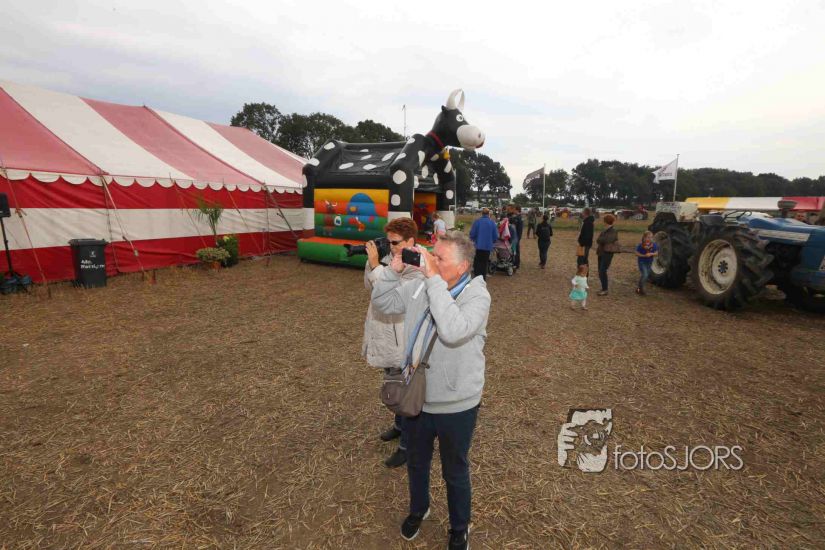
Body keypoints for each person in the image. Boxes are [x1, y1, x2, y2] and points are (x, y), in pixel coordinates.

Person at [371, 232, 490, 550]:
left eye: (439, 257)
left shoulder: (477, 297)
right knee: (416, 462)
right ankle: (418, 509)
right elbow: (382, 302)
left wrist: (433, 279)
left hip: (456, 404)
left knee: (455, 470)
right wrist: (391, 273)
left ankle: (459, 527)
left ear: (462, 267)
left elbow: (452, 331)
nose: (431, 261)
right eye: (431, 254)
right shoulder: (421, 285)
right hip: (418, 398)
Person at [363, 218, 425, 468]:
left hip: (404, 341)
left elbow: (398, 297)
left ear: (411, 241)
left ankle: (407, 447)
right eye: (388, 242)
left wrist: (378, 267)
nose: (391, 247)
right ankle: (399, 427)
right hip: (387, 336)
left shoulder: (419, 266)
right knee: (394, 385)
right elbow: (371, 288)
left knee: (406, 395)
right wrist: (373, 265)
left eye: (396, 242)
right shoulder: (391, 259)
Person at [469, 208, 498, 280]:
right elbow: (495, 236)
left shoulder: (477, 222)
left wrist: (474, 239)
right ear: (489, 214)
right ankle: (483, 278)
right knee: (485, 263)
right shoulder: (492, 223)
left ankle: (477, 277)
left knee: (477, 262)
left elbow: (472, 234)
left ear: (482, 213)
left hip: (478, 246)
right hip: (487, 246)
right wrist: (492, 241)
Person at [595, 213, 620, 296]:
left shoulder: (613, 230)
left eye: (604, 220)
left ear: (606, 221)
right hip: (601, 252)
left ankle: (605, 289)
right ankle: (603, 288)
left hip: (607, 253)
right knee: (600, 271)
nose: (603, 222)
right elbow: (599, 240)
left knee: (602, 270)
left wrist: (601, 239)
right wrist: (601, 239)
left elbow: (605, 240)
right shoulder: (605, 230)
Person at [634, 231, 658, 295]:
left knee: (646, 276)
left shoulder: (654, 245)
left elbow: (656, 253)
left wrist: (651, 254)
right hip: (642, 262)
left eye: (651, 237)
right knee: (645, 275)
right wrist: (644, 256)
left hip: (649, 263)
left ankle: (639, 289)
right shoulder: (641, 245)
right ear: (644, 238)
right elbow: (636, 253)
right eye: (648, 237)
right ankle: (641, 290)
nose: (649, 239)